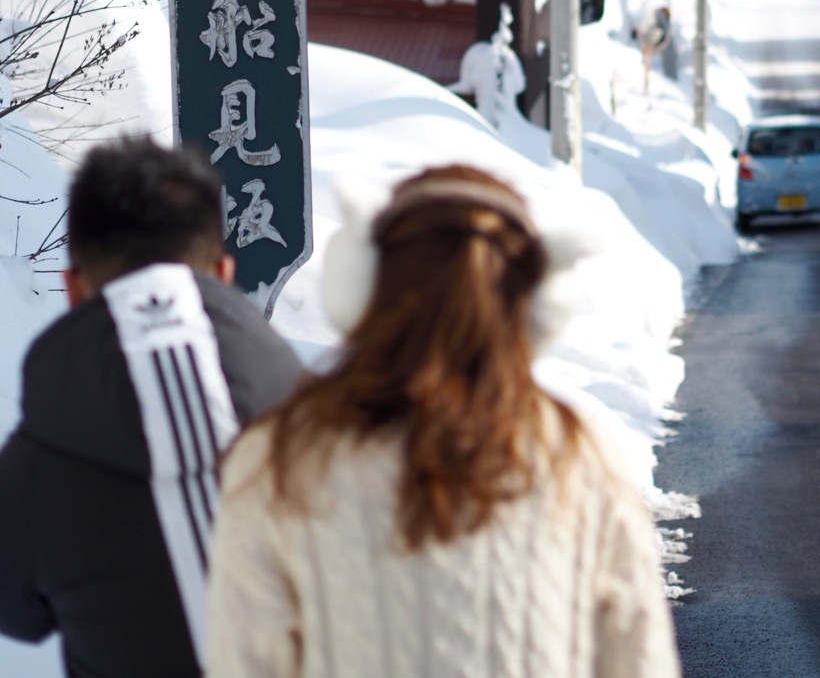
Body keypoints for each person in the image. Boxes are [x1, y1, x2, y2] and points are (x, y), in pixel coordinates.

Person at [207, 164, 682, 678]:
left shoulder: (278, 457)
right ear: (535, 303)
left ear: (364, 287)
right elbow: (639, 661)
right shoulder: (579, 452)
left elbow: (246, 663)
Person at [0, 136, 304, 678]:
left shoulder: (34, 466)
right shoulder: (320, 424)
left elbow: (17, 615)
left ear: (72, 288)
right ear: (225, 273)